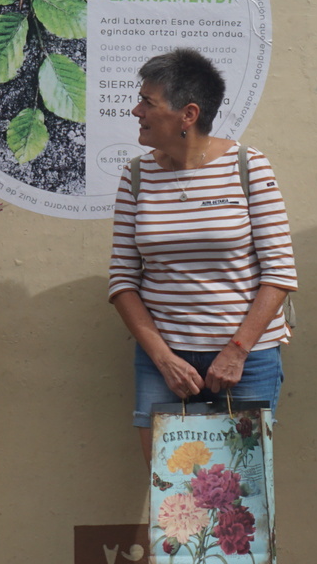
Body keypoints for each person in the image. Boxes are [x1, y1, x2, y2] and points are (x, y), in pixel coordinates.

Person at [108, 48, 297, 461]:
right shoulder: (136, 176)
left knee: (237, 493)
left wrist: (236, 351)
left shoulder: (249, 167)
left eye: (148, 103)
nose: (137, 111)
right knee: (172, 491)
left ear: (188, 114)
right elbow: (122, 281)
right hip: (163, 363)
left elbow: (280, 273)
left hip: (246, 363)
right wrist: (164, 359)